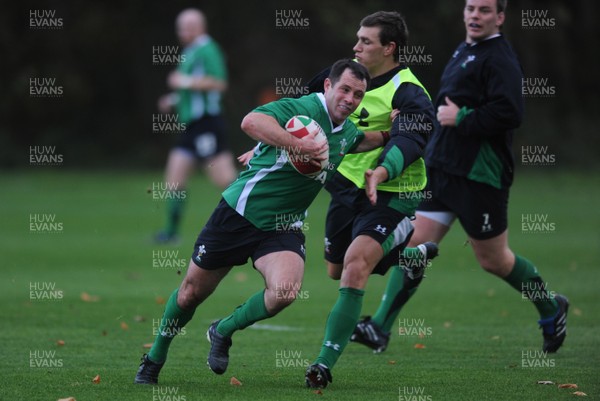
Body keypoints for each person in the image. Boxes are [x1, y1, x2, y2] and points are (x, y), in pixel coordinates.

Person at [135, 59, 399, 384]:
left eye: (359, 94)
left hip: (283, 226)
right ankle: (155, 356)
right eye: (345, 89)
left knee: (285, 291)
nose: (351, 99)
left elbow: (357, 141)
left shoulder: (345, 131)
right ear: (329, 86)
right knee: (190, 293)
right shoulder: (302, 108)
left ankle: (223, 329)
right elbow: (251, 121)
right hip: (238, 214)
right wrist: (297, 144)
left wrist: (391, 132)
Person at [354, 0, 568, 358]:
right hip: (443, 168)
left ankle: (550, 307)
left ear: (500, 17)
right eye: (471, 8)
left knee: (494, 260)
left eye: (485, 10)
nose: (474, 15)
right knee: (414, 249)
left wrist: (463, 117)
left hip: (479, 175)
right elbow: (444, 109)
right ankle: (379, 327)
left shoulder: (499, 57)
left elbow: (511, 111)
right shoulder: (465, 49)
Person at [304, 11, 437, 389]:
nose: (356, 46)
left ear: (389, 48)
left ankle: (323, 363)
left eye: (365, 41)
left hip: (393, 194)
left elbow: (410, 141)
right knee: (334, 270)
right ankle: (410, 258)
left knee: (355, 265)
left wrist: (381, 171)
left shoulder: (410, 92)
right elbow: (300, 108)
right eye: (357, 38)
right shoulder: (342, 77)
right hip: (346, 189)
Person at [155, 8, 236, 244]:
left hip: (207, 123)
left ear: (199, 27)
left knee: (223, 179)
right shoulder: (190, 52)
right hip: (190, 126)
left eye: (186, 27)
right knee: (174, 179)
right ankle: (170, 233)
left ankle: (255, 217)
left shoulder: (208, 49)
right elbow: (189, 90)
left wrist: (184, 81)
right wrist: (173, 99)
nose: (182, 32)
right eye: (180, 27)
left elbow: (219, 84)